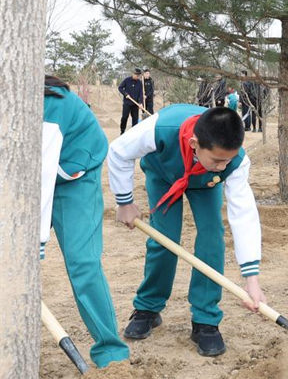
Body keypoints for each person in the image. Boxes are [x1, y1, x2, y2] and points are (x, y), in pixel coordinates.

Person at [108, 105, 265, 357]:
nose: (223, 165)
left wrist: (252, 280)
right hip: (164, 175)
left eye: (228, 159)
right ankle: (148, 307)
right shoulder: (161, 128)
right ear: (195, 143)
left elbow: (244, 215)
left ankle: (205, 320)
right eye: (217, 159)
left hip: (205, 184)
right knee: (164, 238)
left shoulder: (233, 163)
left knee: (212, 238)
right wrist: (124, 202)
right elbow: (118, 151)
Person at [41, 75, 129, 368]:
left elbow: (40, 179)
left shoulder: (48, 105)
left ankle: (111, 351)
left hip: (72, 174)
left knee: (83, 262)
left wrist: (37, 242)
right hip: (25, 174)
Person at [118, 68, 144, 134]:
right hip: (127, 103)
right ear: (133, 74)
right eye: (136, 75)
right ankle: (122, 131)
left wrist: (140, 103)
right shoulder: (127, 80)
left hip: (135, 105)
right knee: (124, 117)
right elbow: (120, 88)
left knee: (135, 119)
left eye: (138, 76)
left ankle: (133, 133)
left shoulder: (139, 83)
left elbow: (141, 94)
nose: (137, 77)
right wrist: (125, 94)